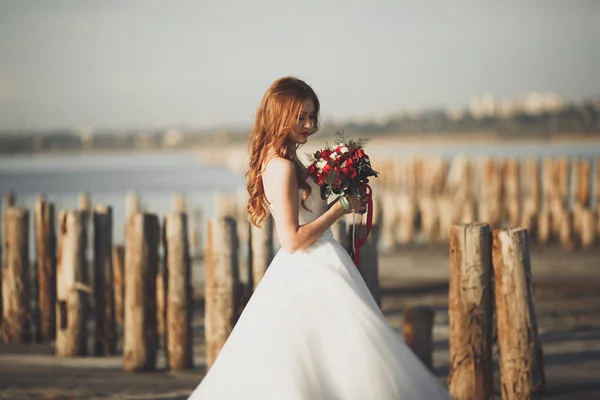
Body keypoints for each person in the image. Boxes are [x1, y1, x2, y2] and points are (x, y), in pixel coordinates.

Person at [188, 76, 451, 399]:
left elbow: (309, 215)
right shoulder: (281, 166)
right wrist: (339, 209)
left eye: (312, 115)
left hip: (323, 260)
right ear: (279, 116)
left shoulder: (290, 159)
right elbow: (292, 240)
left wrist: (343, 194)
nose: (310, 124)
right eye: (301, 116)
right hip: (307, 268)